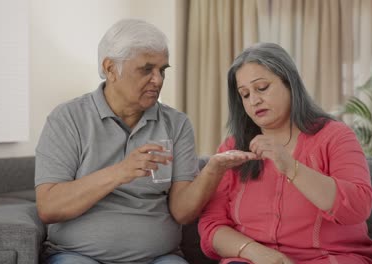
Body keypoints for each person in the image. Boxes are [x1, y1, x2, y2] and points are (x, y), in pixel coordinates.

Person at [35, 19, 257, 264]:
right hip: (77, 256)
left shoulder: (177, 124)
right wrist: (121, 171)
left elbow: (183, 213)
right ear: (110, 69)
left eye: (162, 70)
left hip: (159, 258)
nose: (158, 80)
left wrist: (212, 170)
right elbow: (49, 207)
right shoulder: (67, 119)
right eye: (146, 69)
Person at [198, 43, 372, 264]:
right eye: (245, 95)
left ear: (290, 83)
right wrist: (254, 251)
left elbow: (358, 207)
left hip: (331, 258)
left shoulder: (335, 136)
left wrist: (291, 167)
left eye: (262, 87)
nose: (254, 100)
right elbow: (212, 225)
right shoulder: (232, 149)